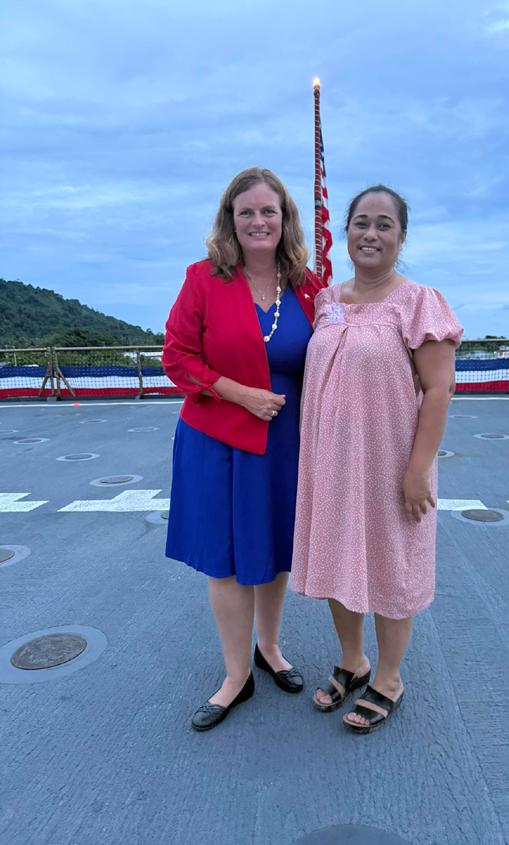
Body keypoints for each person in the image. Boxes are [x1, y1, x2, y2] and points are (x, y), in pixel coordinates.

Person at [291, 185, 463, 734]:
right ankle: (353, 660)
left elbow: (438, 390)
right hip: (331, 462)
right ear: (344, 232)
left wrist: (418, 470)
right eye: (361, 222)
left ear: (401, 237)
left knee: (393, 565)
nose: (371, 234)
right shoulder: (326, 301)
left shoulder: (418, 301)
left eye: (384, 224)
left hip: (392, 464)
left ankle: (388, 677)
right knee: (337, 559)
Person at [162, 167, 325, 732]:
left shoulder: (306, 284)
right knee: (226, 558)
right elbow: (177, 357)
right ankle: (236, 676)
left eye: (268, 211)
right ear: (230, 220)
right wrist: (240, 395)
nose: (258, 221)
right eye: (246, 211)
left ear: (285, 219)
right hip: (217, 439)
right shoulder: (203, 278)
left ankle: (270, 649)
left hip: (285, 440)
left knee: (275, 549)